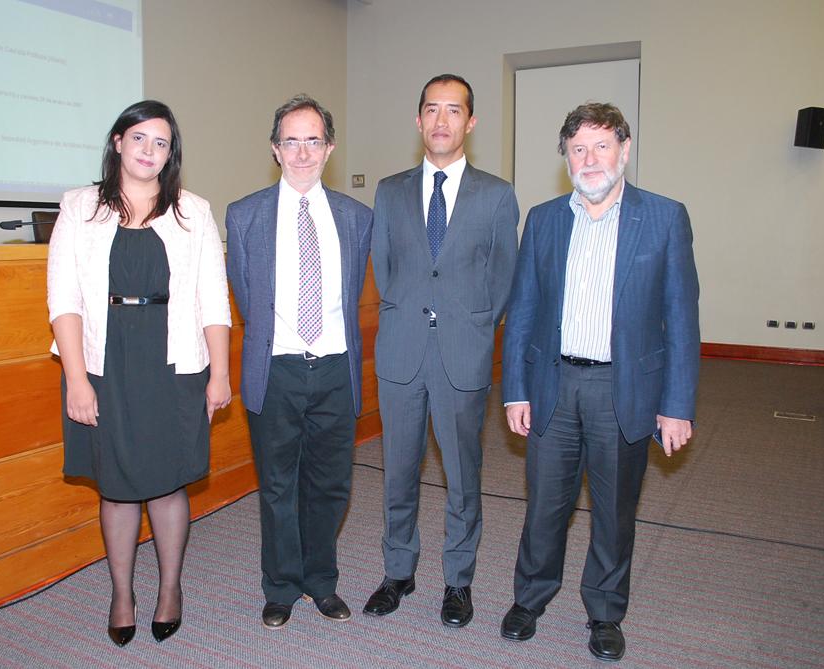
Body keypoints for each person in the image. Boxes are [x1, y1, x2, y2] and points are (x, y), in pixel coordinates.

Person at [499, 102, 700, 661]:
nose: (590, 159)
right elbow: (524, 311)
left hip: (625, 391)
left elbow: (681, 318)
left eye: (602, 146)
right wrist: (515, 388)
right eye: (578, 149)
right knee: (544, 505)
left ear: (625, 150)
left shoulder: (663, 218)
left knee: (614, 511)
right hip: (553, 386)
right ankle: (530, 598)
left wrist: (677, 404)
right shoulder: (543, 219)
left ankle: (605, 611)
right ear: (565, 157)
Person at [47, 100, 231, 647]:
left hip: (173, 362)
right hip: (106, 364)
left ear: (171, 153)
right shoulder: (79, 207)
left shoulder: (193, 211)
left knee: (168, 482)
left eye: (162, 143)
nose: (150, 151)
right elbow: (64, 298)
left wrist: (219, 375)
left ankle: (170, 589)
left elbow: (213, 302)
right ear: (118, 143)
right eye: (140, 139)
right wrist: (77, 380)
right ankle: (122, 592)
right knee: (119, 486)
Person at [364, 74, 519, 628]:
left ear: (470, 122)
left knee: (461, 475)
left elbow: (502, 280)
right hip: (402, 352)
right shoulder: (389, 189)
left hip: (462, 352)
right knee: (397, 474)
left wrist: (473, 325)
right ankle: (398, 572)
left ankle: (458, 581)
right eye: (432, 109)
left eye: (454, 111)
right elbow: (386, 270)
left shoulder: (497, 195)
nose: (441, 121)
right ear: (418, 119)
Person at [225, 95, 373, 629]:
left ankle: (321, 581)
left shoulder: (358, 218)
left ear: (330, 148)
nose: (303, 151)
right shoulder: (244, 216)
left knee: (332, 484)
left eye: (314, 140)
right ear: (275, 149)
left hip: (335, 368)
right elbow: (247, 298)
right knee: (278, 485)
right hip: (278, 368)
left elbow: (352, 291)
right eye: (292, 140)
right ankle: (281, 587)